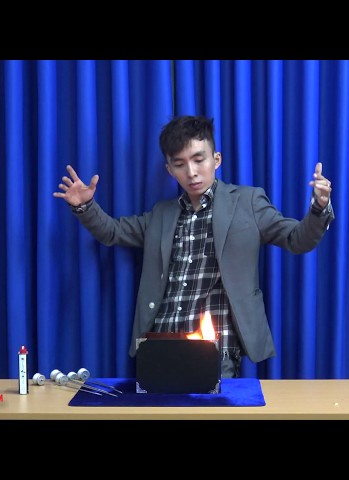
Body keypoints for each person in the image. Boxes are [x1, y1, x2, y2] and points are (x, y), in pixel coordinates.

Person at [54, 115, 334, 378]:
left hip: (217, 348)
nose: (191, 172)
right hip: (160, 344)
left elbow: (297, 239)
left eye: (199, 160)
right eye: (180, 164)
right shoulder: (161, 214)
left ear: (216, 159)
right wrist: (85, 206)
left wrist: (319, 207)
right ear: (169, 169)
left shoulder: (247, 202)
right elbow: (113, 232)